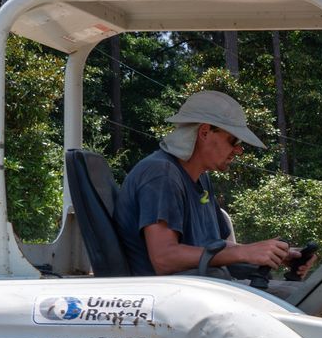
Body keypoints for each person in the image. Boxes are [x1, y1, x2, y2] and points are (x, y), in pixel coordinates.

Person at [116, 90, 294, 277]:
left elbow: (214, 248)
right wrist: (244, 252)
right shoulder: (162, 175)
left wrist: (273, 254)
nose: (239, 150)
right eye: (233, 140)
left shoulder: (201, 178)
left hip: (201, 287)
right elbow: (164, 259)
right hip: (172, 293)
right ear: (205, 132)